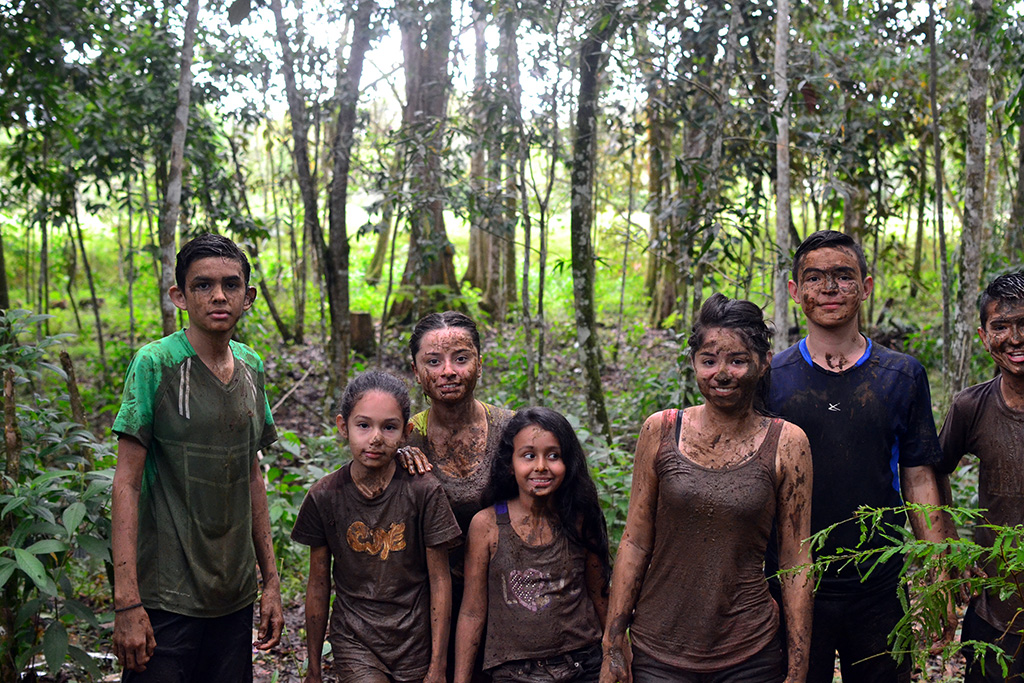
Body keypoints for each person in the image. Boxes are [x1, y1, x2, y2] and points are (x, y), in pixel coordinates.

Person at [767, 229, 952, 682]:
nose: (830, 288)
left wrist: (938, 573)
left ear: (866, 287)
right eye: (815, 278)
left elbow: (918, 477)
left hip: (879, 585)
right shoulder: (771, 377)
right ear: (795, 291)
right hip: (791, 583)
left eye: (844, 276)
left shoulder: (901, 375)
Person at [601, 293, 814, 683]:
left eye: (738, 360)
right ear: (694, 363)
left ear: (764, 362)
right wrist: (613, 642)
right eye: (709, 360)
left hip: (750, 651)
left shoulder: (787, 442)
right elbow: (634, 541)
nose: (722, 373)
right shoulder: (661, 430)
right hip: (658, 649)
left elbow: (795, 560)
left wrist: (798, 668)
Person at [110, 233, 284, 681]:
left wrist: (270, 582)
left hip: (234, 595)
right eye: (203, 285)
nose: (218, 296)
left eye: (231, 284)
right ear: (180, 297)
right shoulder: (155, 364)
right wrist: (127, 602)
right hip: (165, 595)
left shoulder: (251, 366)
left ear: (248, 297)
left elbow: (251, 475)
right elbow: (126, 482)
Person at [291, 371, 461, 683]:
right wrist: (313, 667)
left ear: (406, 433)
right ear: (343, 426)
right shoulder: (325, 496)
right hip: (355, 638)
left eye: (389, 427)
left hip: (414, 640)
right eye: (363, 425)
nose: (376, 438)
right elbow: (318, 584)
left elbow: (440, 580)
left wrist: (438, 664)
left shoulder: (423, 491)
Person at [455, 407, 610, 683]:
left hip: (582, 665)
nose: (541, 466)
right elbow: (472, 611)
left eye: (553, 456)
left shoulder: (579, 520)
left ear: (568, 462)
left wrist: (617, 652)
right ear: (509, 463)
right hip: (513, 672)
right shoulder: (487, 526)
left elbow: (599, 594)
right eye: (529, 456)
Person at [403, 311, 514, 681]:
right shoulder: (406, 435)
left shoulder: (511, 429)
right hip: (431, 603)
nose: (448, 371)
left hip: (507, 596)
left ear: (479, 364)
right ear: (416, 371)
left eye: (461, 358)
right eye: (434, 361)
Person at [937, 270, 1024, 683]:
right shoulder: (971, 407)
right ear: (983, 336)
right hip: (995, 615)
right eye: (1001, 326)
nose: (1015, 338)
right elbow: (933, 471)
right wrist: (952, 544)